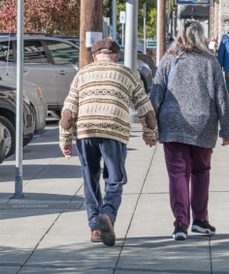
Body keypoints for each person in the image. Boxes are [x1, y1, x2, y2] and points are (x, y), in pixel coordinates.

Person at [60, 38, 158, 246]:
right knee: (115, 180)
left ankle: (95, 227)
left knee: (90, 179)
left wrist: (65, 140)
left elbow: (68, 113)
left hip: (86, 131)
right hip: (114, 130)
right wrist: (150, 133)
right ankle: (107, 214)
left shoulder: (82, 74)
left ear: (94, 56)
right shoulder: (128, 74)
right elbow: (146, 109)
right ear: (117, 56)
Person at [150, 20, 229, 241]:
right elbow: (221, 97)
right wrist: (226, 129)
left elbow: (156, 94)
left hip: (172, 123)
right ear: (201, 36)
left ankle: (180, 223)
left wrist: (150, 127)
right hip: (203, 124)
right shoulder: (210, 62)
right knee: (201, 171)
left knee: (178, 174)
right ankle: (200, 219)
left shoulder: (169, 60)